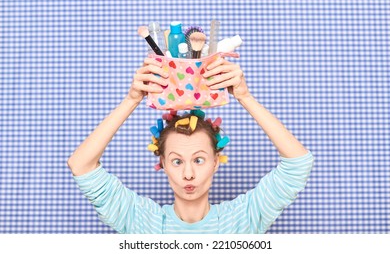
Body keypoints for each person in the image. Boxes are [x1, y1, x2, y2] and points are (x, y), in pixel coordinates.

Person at [67, 56, 315, 234]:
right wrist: (132, 99)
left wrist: (244, 96)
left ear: (215, 162)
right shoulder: (141, 221)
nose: (188, 174)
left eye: (198, 159)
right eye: (177, 161)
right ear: (162, 164)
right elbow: (81, 165)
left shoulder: (243, 219)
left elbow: (298, 163)